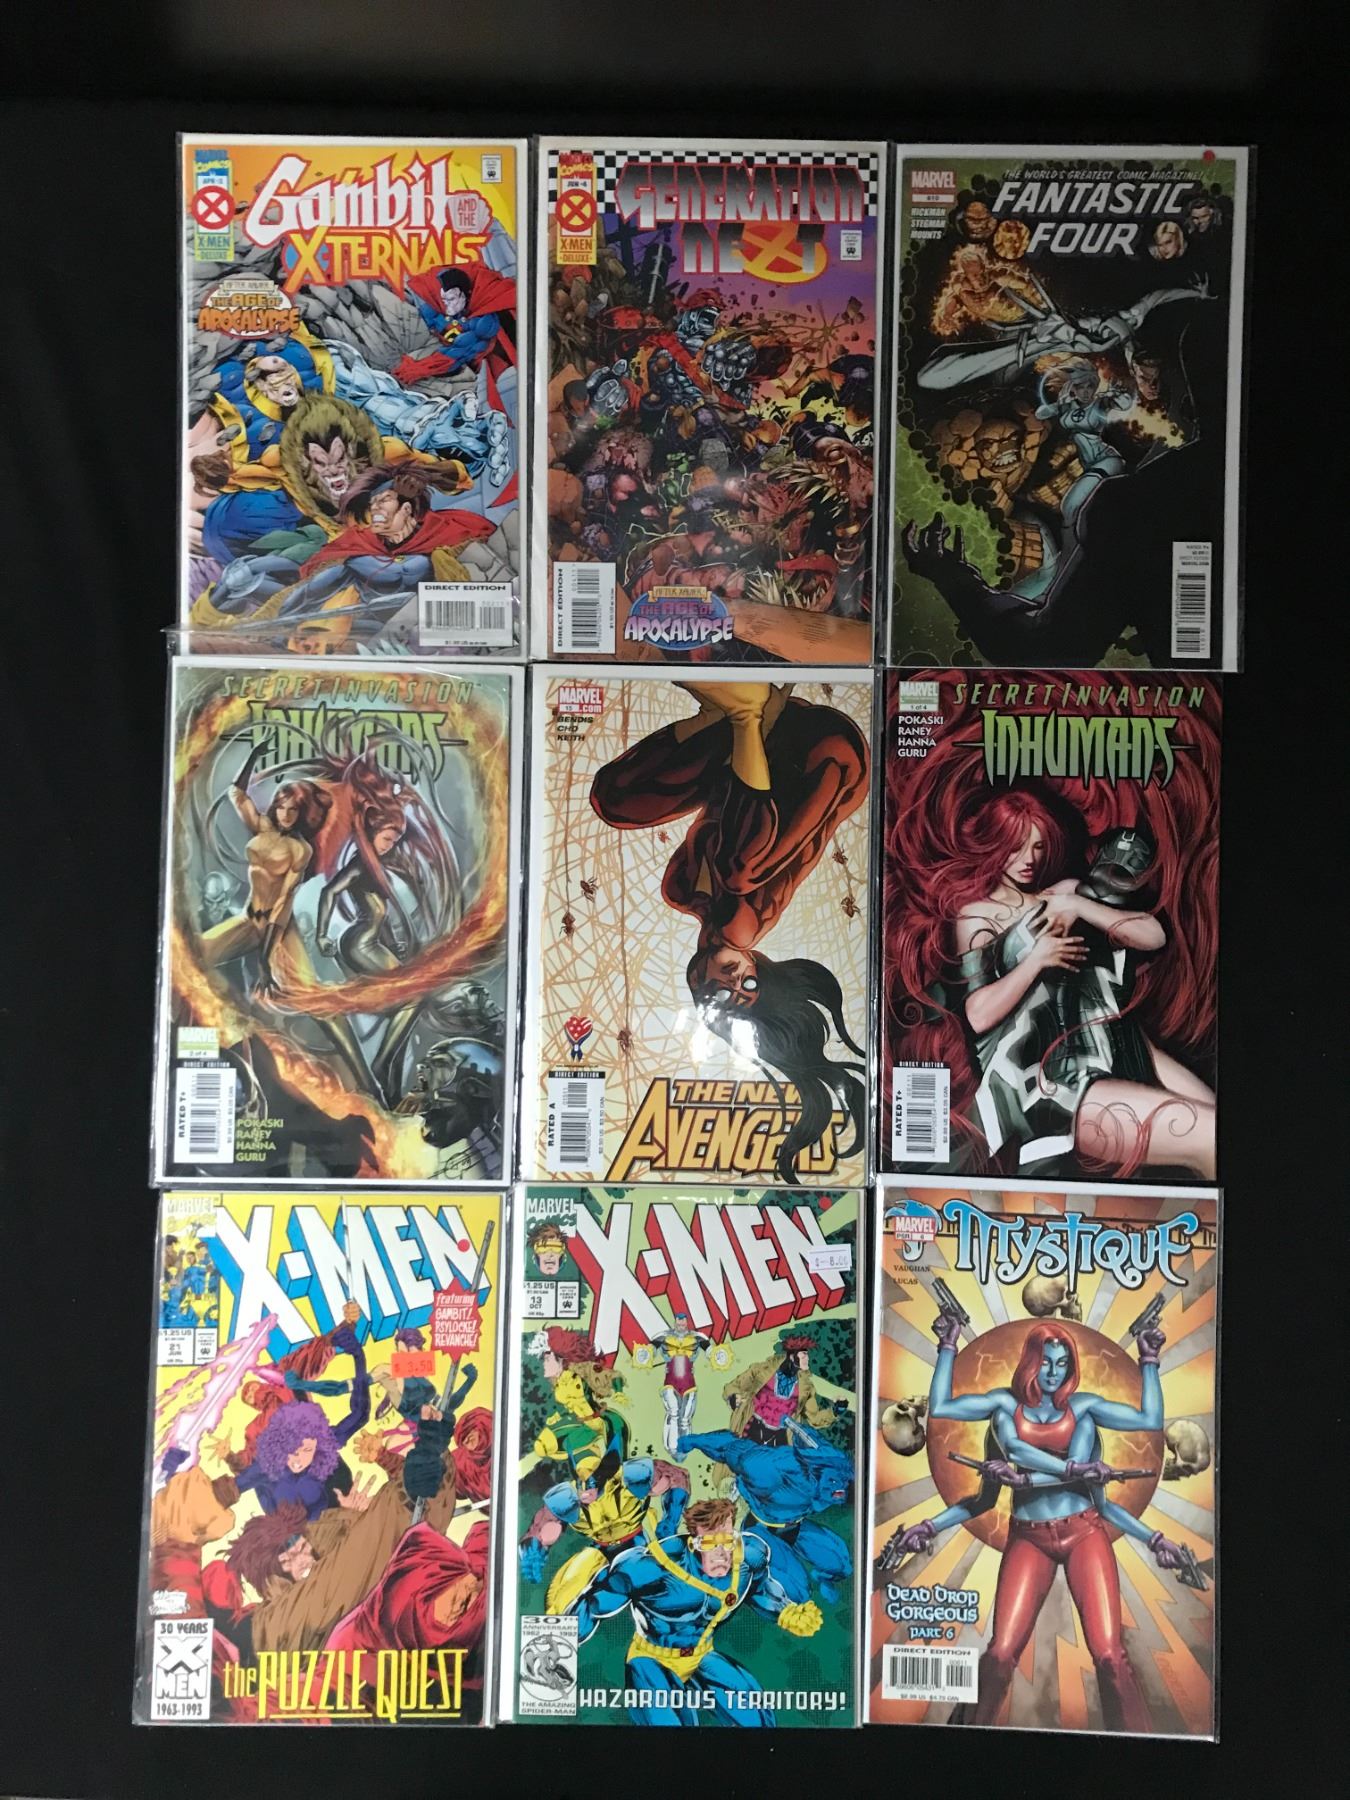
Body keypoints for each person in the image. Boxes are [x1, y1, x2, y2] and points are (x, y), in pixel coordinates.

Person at [590, 682, 868, 1182]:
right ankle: (744, 712)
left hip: (762, 756)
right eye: (750, 985)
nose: (733, 980)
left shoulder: (682, 894)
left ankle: (727, 714)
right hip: (826, 757)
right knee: (742, 871)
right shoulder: (743, 924)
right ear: (762, 966)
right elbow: (746, 857)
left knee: (614, 802)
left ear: (700, 993)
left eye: (726, 994)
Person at [879, 1314, 1189, 1733]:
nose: (1053, 1373)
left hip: (1084, 1532)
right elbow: (959, 1426)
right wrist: (947, 1347)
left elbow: (1148, 1422)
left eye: (1062, 1364)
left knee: (1110, 1656)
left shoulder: (1083, 1410)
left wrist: (1149, 1360)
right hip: (1029, 1538)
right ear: (1029, 1361)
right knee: (1000, 1654)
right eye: (1046, 1363)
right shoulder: (1004, 1409)